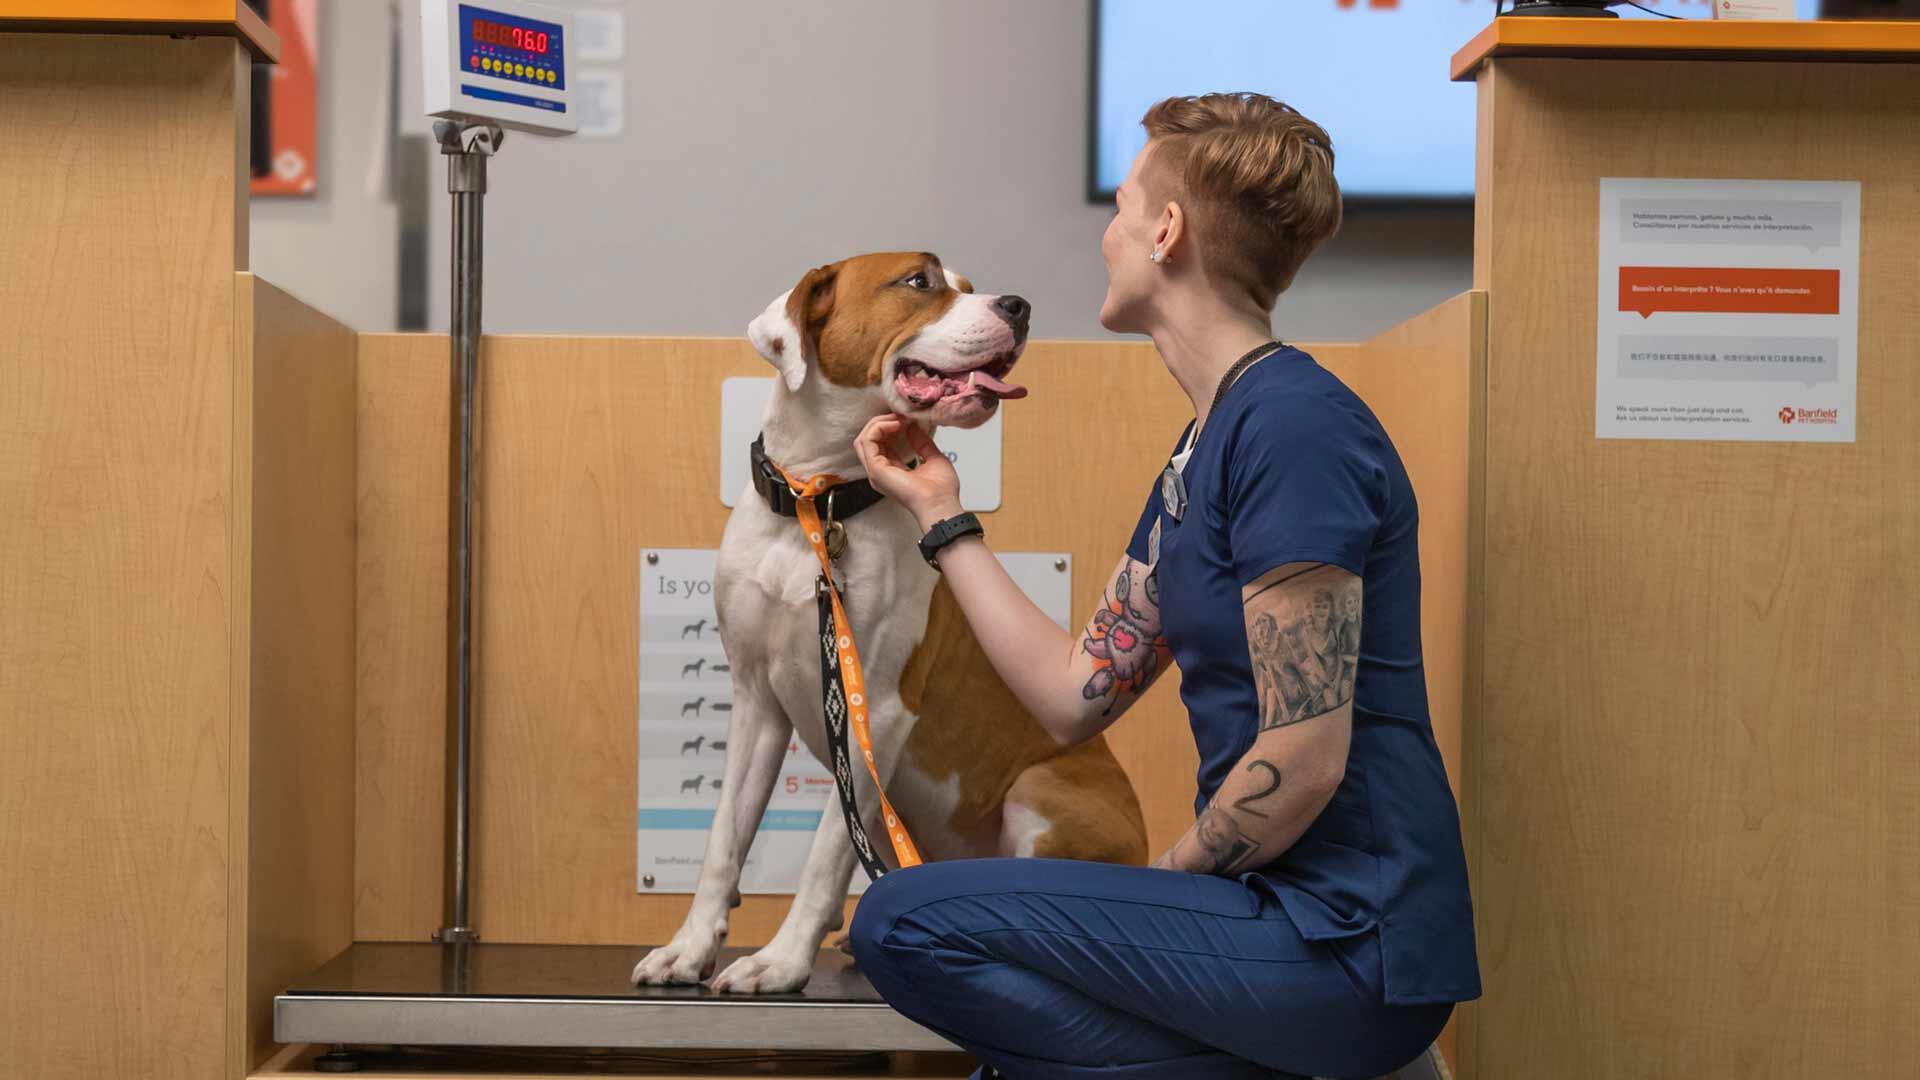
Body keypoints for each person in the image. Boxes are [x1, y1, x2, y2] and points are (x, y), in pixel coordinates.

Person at [848, 93, 1479, 1080]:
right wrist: (941, 514)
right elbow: (1070, 694)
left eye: (1124, 207)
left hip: (1347, 941)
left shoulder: (1291, 429)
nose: (1108, 237)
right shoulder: (1209, 444)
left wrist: (1166, 884)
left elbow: (1305, 759)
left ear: (1169, 230)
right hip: (1272, 923)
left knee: (900, 921)